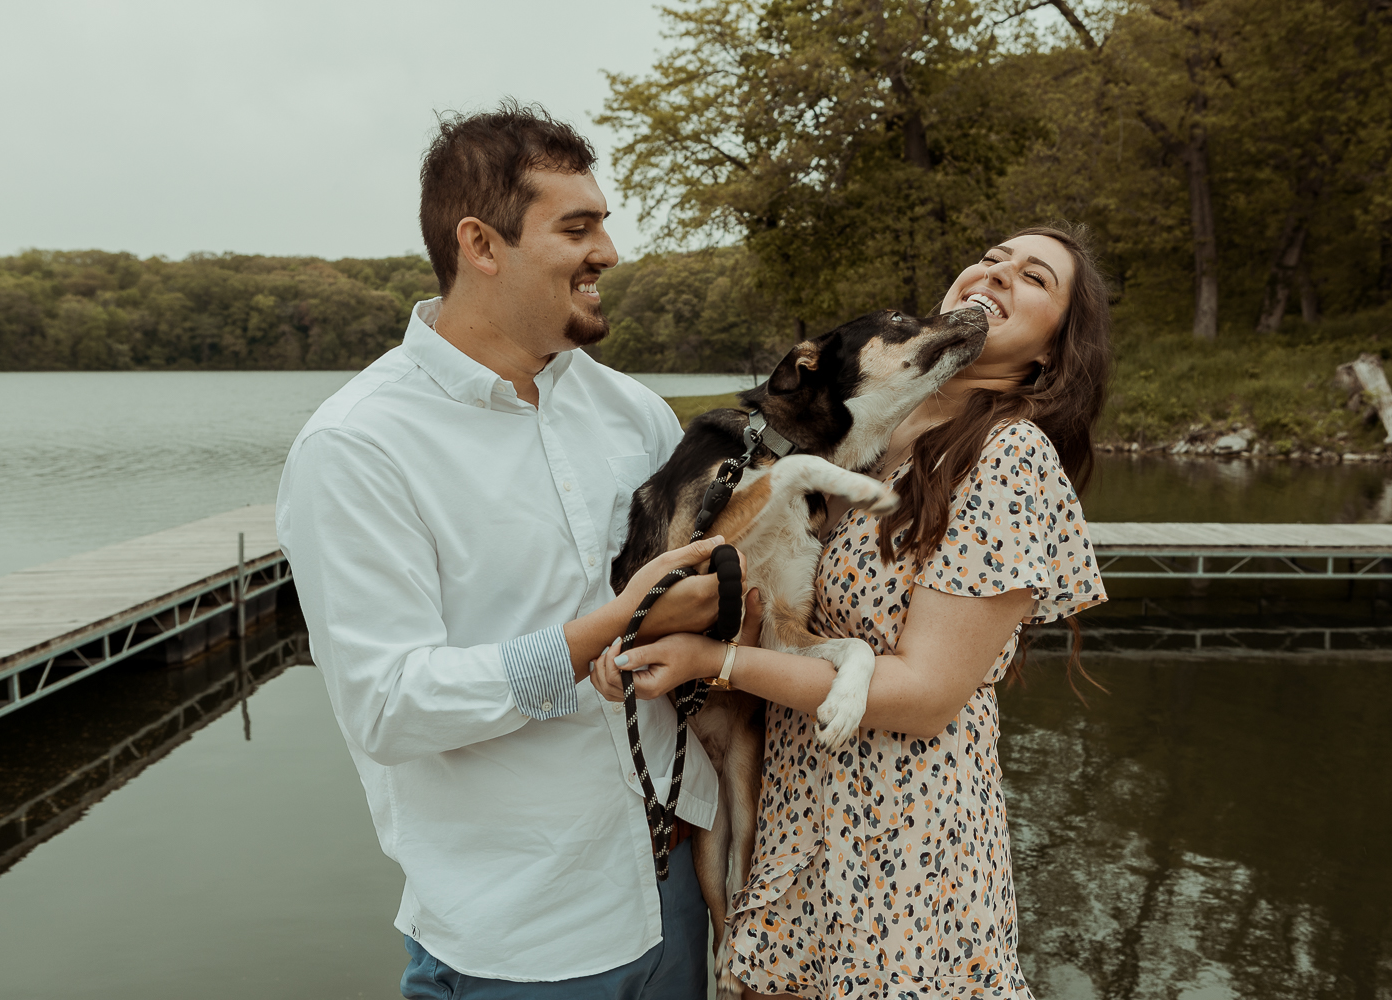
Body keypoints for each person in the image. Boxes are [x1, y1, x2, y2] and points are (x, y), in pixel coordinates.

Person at [277, 102, 728, 999]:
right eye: (578, 227)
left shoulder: (631, 413)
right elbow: (389, 705)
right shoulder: (358, 446)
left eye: (603, 221)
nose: (609, 252)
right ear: (481, 245)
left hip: (674, 886)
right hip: (519, 933)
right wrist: (605, 628)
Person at [591, 225, 1113, 998]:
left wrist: (717, 663)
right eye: (993, 257)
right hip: (794, 807)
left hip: (906, 838)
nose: (999, 273)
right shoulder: (864, 446)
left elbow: (929, 696)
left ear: (1047, 355)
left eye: (1034, 277)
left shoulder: (1010, 457)